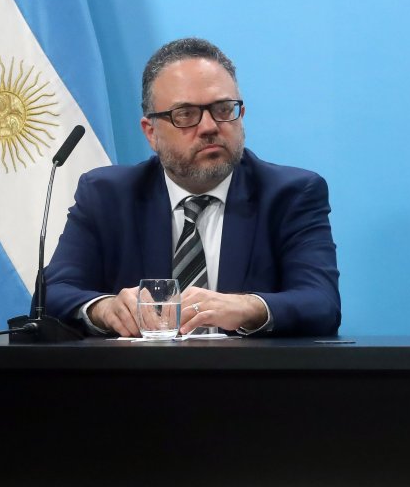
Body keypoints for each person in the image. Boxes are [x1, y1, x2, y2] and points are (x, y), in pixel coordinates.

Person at [45, 37, 341, 337]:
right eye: (186, 114)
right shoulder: (108, 196)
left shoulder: (290, 195)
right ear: (151, 132)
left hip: (246, 368)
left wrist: (249, 307)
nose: (210, 127)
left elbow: (322, 302)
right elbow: (52, 293)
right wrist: (103, 308)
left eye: (223, 109)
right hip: (138, 368)